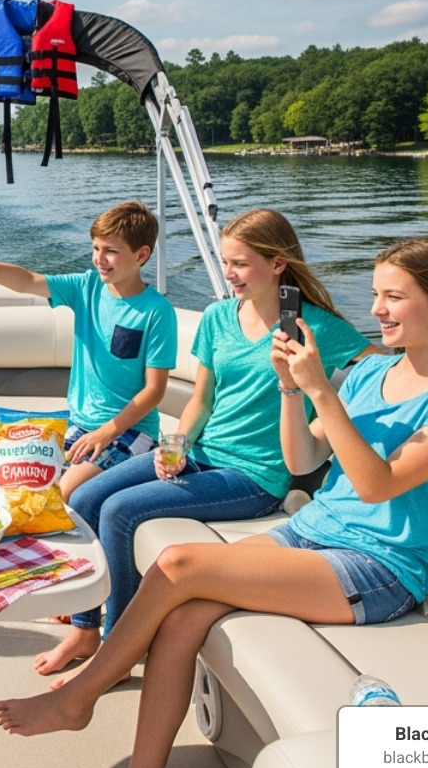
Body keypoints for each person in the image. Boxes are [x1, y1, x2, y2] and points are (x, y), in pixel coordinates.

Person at [0, 237, 428, 768]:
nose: (376, 309)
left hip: (380, 566)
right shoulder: (370, 375)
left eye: (393, 297)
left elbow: (376, 485)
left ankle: (79, 698)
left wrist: (319, 389)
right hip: (311, 532)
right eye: (375, 294)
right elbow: (302, 460)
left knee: (178, 563)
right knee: (182, 617)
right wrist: (290, 386)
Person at [41, 207, 371, 676]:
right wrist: (174, 446)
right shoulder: (217, 317)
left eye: (239, 264)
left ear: (278, 264)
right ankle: (85, 628)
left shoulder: (312, 327)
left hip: (254, 477)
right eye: (224, 262)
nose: (228, 274)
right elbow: (201, 400)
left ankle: (118, 649)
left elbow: (389, 365)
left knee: (118, 510)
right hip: (198, 454)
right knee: (86, 497)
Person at [0, 200, 177, 498]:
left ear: (141, 255)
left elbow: (154, 390)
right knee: (16, 483)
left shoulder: (157, 311)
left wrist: (107, 431)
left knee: (61, 494)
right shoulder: (86, 287)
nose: (99, 258)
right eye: (96, 248)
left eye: (111, 250)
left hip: (129, 431)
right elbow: (27, 281)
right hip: (79, 424)